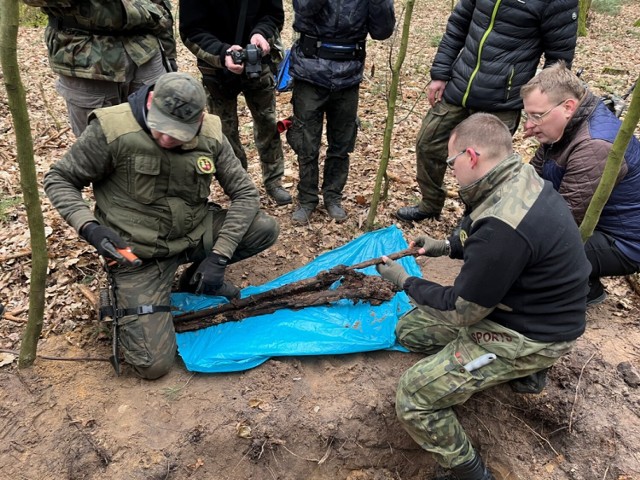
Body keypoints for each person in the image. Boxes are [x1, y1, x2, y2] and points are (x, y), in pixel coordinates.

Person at [376, 113, 589, 480]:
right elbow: (488, 242)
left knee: (414, 397)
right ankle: (518, 371)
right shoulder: (517, 177)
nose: (450, 170)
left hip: (532, 333)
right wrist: (445, 247)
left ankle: (470, 472)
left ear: (471, 156)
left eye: (450, 161)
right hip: (527, 305)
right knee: (410, 331)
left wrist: (404, 281)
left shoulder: (503, 226)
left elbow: (462, 312)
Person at [44, 72, 280, 380]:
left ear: (199, 119)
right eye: (163, 127)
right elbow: (59, 179)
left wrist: (219, 257)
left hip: (192, 232)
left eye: (180, 132)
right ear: (152, 101)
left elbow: (246, 194)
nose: (169, 138)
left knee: (263, 228)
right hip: (137, 253)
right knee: (153, 365)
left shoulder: (210, 134)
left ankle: (197, 278)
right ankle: (124, 297)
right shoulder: (112, 130)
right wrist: (89, 227)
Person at [395, 0, 579, 223]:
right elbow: (458, 24)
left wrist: (537, 110)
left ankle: (472, 220)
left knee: (485, 164)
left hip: (502, 100)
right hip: (460, 86)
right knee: (428, 143)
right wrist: (440, 73)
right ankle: (430, 204)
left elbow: (558, 60)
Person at [521, 62, 640, 306]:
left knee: (526, 255)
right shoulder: (566, 125)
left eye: (536, 116)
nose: (528, 126)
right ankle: (583, 281)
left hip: (625, 241)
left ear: (568, 106)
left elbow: (565, 219)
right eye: (527, 115)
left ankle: (581, 288)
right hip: (598, 223)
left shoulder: (595, 145)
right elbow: (534, 176)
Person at [286, 0, 395, 223]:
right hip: (309, 73)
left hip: (348, 76)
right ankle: (307, 199)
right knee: (306, 143)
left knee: (342, 143)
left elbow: (382, 32)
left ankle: (332, 197)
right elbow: (304, 9)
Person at [179, 0, 292, 206]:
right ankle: (238, 185)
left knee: (267, 123)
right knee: (224, 131)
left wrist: (261, 33)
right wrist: (223, 53)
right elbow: (191, 31)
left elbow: (273, 15)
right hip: (216, 70)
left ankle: (274, 181)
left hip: (258, 62)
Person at [22, 0, 177, 137]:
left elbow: (160, 8)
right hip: (86, 60)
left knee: (157, 136)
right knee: (97, 144)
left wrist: (169, 55)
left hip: (145, 53)